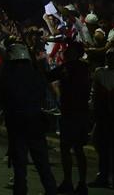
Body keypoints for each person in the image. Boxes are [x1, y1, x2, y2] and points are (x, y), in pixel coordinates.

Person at [0, 43, 56, 195]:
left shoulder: (8, 76)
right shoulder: (35, 74)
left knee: (20, 167)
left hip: (17, 124)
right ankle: (51, 190)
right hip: (35, 122)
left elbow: (3, 98)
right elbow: (42, 94)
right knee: (42, 164)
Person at [47, 42, 90, 195]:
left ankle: (72, 182)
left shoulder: (70, 67)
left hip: (73, 113)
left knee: (69, 149)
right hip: (78, 112)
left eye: (69, 50)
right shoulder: (83, 68)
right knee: (76, 149)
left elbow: (48, 76)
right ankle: (78, 182)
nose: (65, 52)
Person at [88, 48, 114, 190]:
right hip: (102, 116)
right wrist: (93, 109)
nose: (111, 60)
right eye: (109, 57)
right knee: (102, 146)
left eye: (113, 57)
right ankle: (103, 176)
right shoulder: (100, 73)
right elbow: (94, 93)